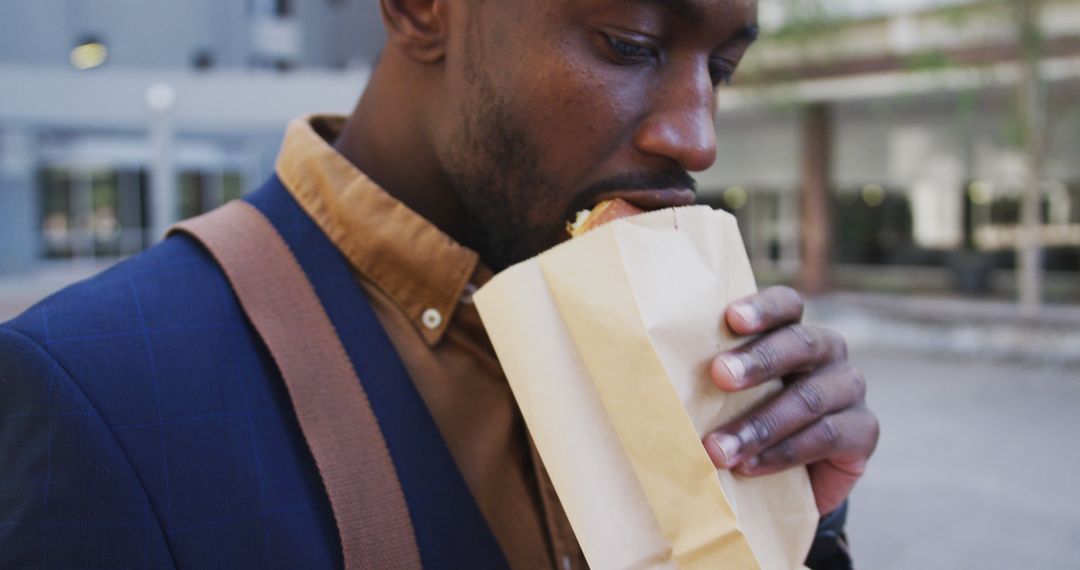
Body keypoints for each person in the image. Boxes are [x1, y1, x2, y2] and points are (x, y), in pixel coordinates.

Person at [0, 0, 879, 568]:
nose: (697, 137)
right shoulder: (96, 391)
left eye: (721, 69)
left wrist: (795, 517)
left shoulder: (680, 340)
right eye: (631, 44)